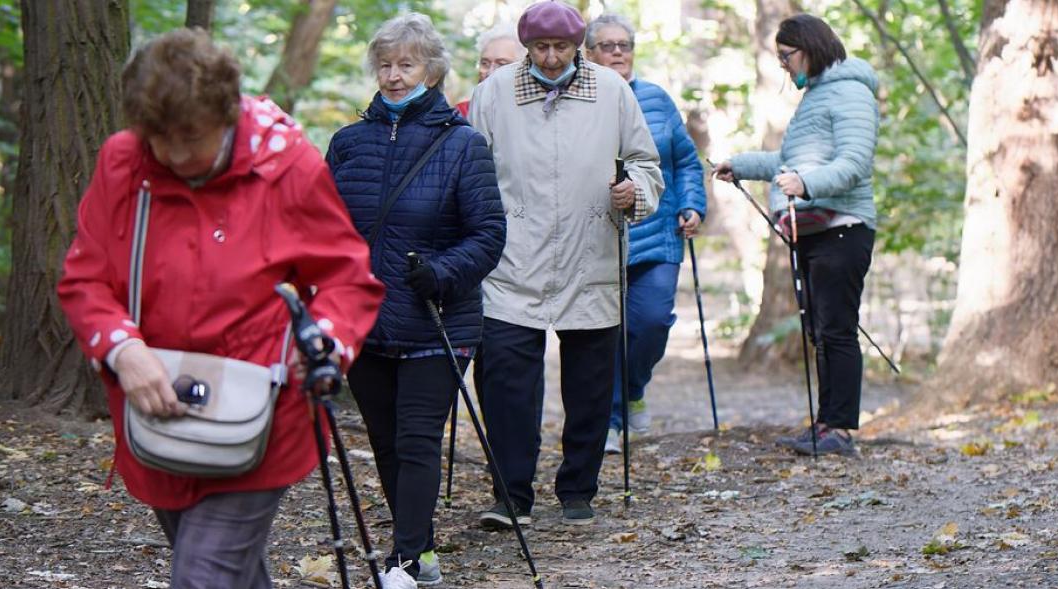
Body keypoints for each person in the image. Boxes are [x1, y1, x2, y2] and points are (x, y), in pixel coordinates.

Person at [57, 29, 384, 588]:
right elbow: (85, 277)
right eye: (160, 137)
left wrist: (325, 340)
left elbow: (347, 280)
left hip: (262, 414)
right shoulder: (123, 164)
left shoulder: (287, 169)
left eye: (192, 136)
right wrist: (121, 347)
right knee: (224, 571)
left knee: (202, 574)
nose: (177, 154)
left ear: (227, 113)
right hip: (160, 409)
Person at [326, 13, 505, 589]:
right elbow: (322, 228)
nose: (394, 75)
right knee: (382, 439)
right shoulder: (349, 143)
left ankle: (403, 562)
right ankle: (421, 548)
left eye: (407, 64)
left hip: (438, 319)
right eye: (385, 64)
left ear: (432, 69)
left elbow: (488, 233)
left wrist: (444, 272)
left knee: (417, 435)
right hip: (365, 320)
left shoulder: (463, 145)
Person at [468, 0, 663, 528]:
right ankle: (510, 496)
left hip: (590, 251)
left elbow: (647, 163)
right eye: (540, 48)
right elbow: (472, 169)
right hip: (512, 259)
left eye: (561, 48)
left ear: (578, 46)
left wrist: (634, 192)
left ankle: (578, 489)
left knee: (590, 385)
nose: (551, 58)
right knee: (507, 383)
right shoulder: (494, 93)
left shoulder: (612, 91)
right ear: (526, 46)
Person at [714, 13, 879, 457]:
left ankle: (840, 431)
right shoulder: (818, 96)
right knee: (820, 329)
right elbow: (789, 161)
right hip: (814, 230)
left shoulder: (850, 94)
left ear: (809, 46)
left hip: (843, 227)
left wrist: (807, 184)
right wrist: (742, 166)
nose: (784, 66)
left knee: (837, 330)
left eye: (786, 56)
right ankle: (826, 422)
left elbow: (855, 162)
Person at [584, 14, 708, 453]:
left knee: (650, 324)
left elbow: (687, 162)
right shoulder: (582, 101)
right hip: (598, 239)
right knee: (604, 335)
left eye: (625, 45)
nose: (618, 52)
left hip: (658, 237)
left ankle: (632, 390)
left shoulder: (657, 99)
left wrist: (693, 204)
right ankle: (613, 420)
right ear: (589, 53)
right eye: (607, 45)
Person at [455, 23, 525, 118]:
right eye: (485, 63)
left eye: (501, 64)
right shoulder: (461, 113)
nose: (490, 72)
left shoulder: (532, 114)